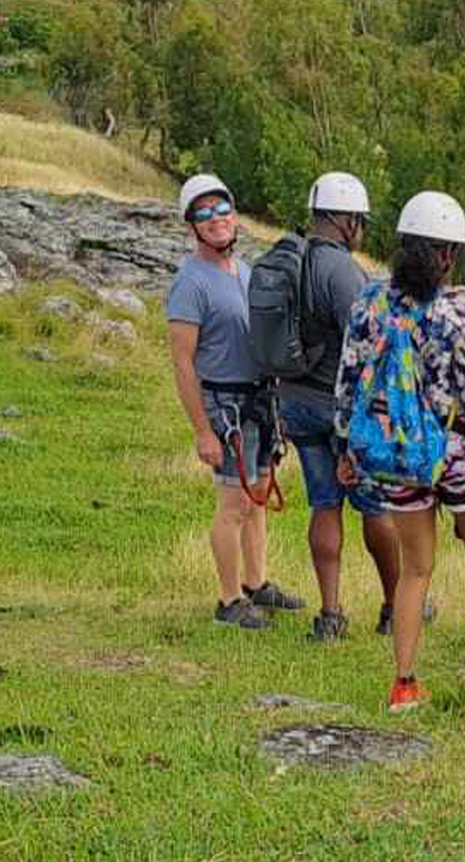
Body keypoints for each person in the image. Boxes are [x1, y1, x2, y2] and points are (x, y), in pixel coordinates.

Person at [334, 190, 465, 713]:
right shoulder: (459, 312)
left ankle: (404, 684)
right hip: (452, 450)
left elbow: (347, 384)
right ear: (448, 254)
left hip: (395, 458)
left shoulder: (368, 302)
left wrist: (345, 448)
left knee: (416, 570)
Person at [274, 172, 411, 644]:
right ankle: (396, 607)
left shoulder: (287, 256)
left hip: (294, 401)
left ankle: (330, 615)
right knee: (376, 506)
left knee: (324, 503)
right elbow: (370, 347)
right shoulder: (343, 272)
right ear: (348, 220)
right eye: (361, 221)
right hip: (341, 408)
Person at [165, 174, 303, 629]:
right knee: (232, 504)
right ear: (192, 225)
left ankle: (256, 584)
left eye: (221, 209)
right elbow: (184, 364)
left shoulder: (244, 272)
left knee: (257, 496)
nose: (216, 219)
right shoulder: (190, 283)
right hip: (225, 404)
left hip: (261, 399)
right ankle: (228, 601)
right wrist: (203, 430)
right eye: (204, 213)